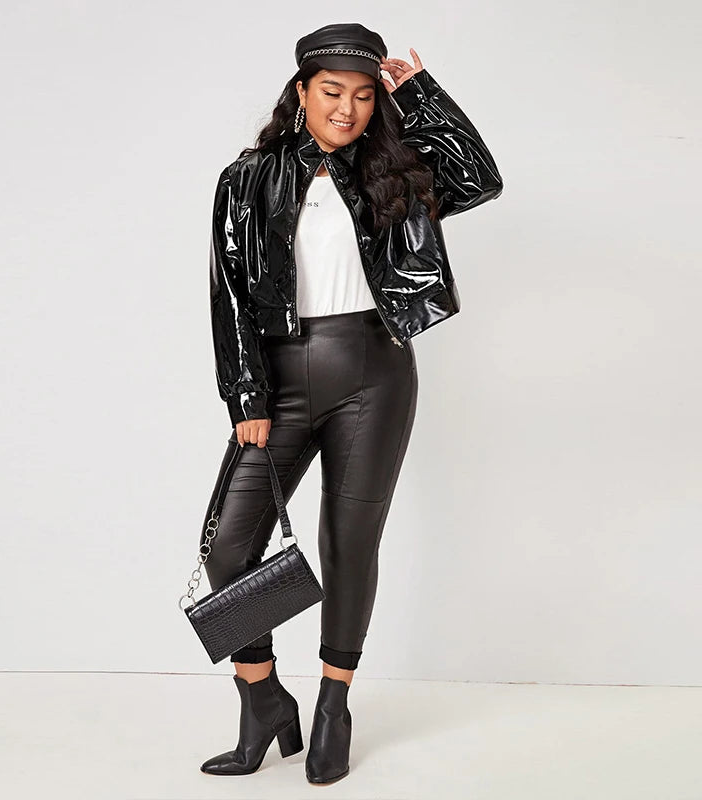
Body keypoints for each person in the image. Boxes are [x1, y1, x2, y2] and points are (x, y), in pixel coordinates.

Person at [197, 22, 503, 784]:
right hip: (279, 378)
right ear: (301, 91)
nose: (348, 108)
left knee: (348, 543)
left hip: (375, 371)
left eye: (364, 96)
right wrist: (246, 393)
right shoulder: (248, 178)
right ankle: (263, 698)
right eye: (333, 91)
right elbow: (228, 292)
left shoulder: (392, 173)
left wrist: (421, 96)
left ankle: (333, 706)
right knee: (228, 548)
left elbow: (480, 178)